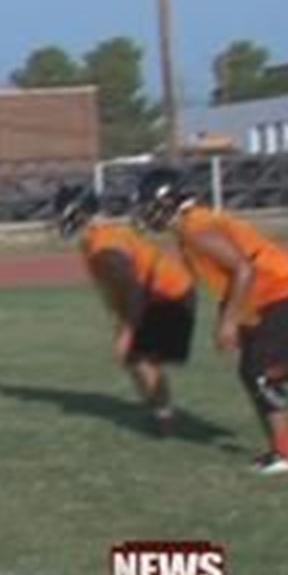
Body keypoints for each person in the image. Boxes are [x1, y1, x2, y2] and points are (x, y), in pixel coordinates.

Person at [134, 167, 288, 475]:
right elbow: (230, 278)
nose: (146, 213)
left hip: (281, 292)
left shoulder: (196, 229)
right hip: (266, 295)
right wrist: (228, 315)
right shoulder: (189, 229)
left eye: (149, 205)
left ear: (168, 202)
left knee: (260, 374)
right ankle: (284, 450)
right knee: (254, 374)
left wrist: (229, 322)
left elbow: (243, 270)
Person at [52, 184, 199, 435]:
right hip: (163, 292)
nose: (58, 219)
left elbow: (132, 287)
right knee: (138, 359)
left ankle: (163, 418)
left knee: (140, 357)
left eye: (63, 213)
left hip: (166, 294)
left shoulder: (103, 247)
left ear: (79, 213)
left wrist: (127, 331)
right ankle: (160, 412)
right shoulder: (100, 237)